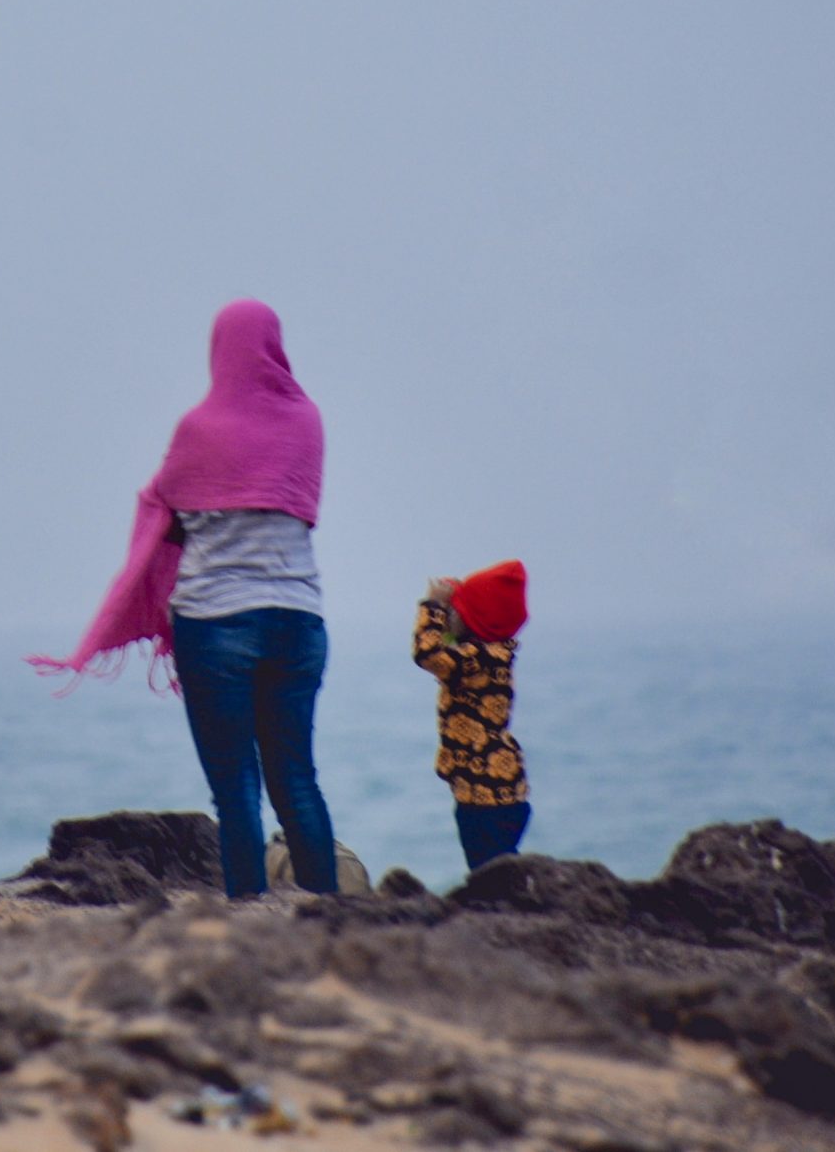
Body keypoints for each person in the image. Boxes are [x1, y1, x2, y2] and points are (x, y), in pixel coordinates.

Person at [33, 298, 339, 898]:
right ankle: (332, 910)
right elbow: (297, 505)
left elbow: (169, 502)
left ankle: (249, 910)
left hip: (216, 622)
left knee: (235, 786)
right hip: (300, 621)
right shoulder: (308, 423)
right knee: (297, 778)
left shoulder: (199, 430)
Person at [413, 559, 532, 871]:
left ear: (477, 622)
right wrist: (455, 600)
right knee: (493, 876)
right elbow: (450, 645)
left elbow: (428, 654)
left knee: (490, 879)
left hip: (488, 798)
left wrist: (433, 606)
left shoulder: (478, 659)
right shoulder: (488, 655)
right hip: (491, 793)